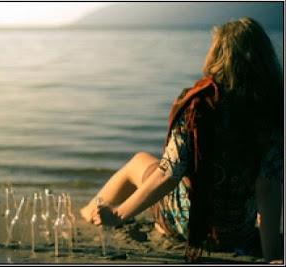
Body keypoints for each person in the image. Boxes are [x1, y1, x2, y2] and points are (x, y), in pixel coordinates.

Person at [80, 17, 283, 263]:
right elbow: (268, 186)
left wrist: (120, 214)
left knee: (139, 162)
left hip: (190, 225)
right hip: (236, 230)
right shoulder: (272, 108)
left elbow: (169, 173)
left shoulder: (200, 105)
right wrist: (271, 254)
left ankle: (91, 214)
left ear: (218, 54)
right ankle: (95, 211)